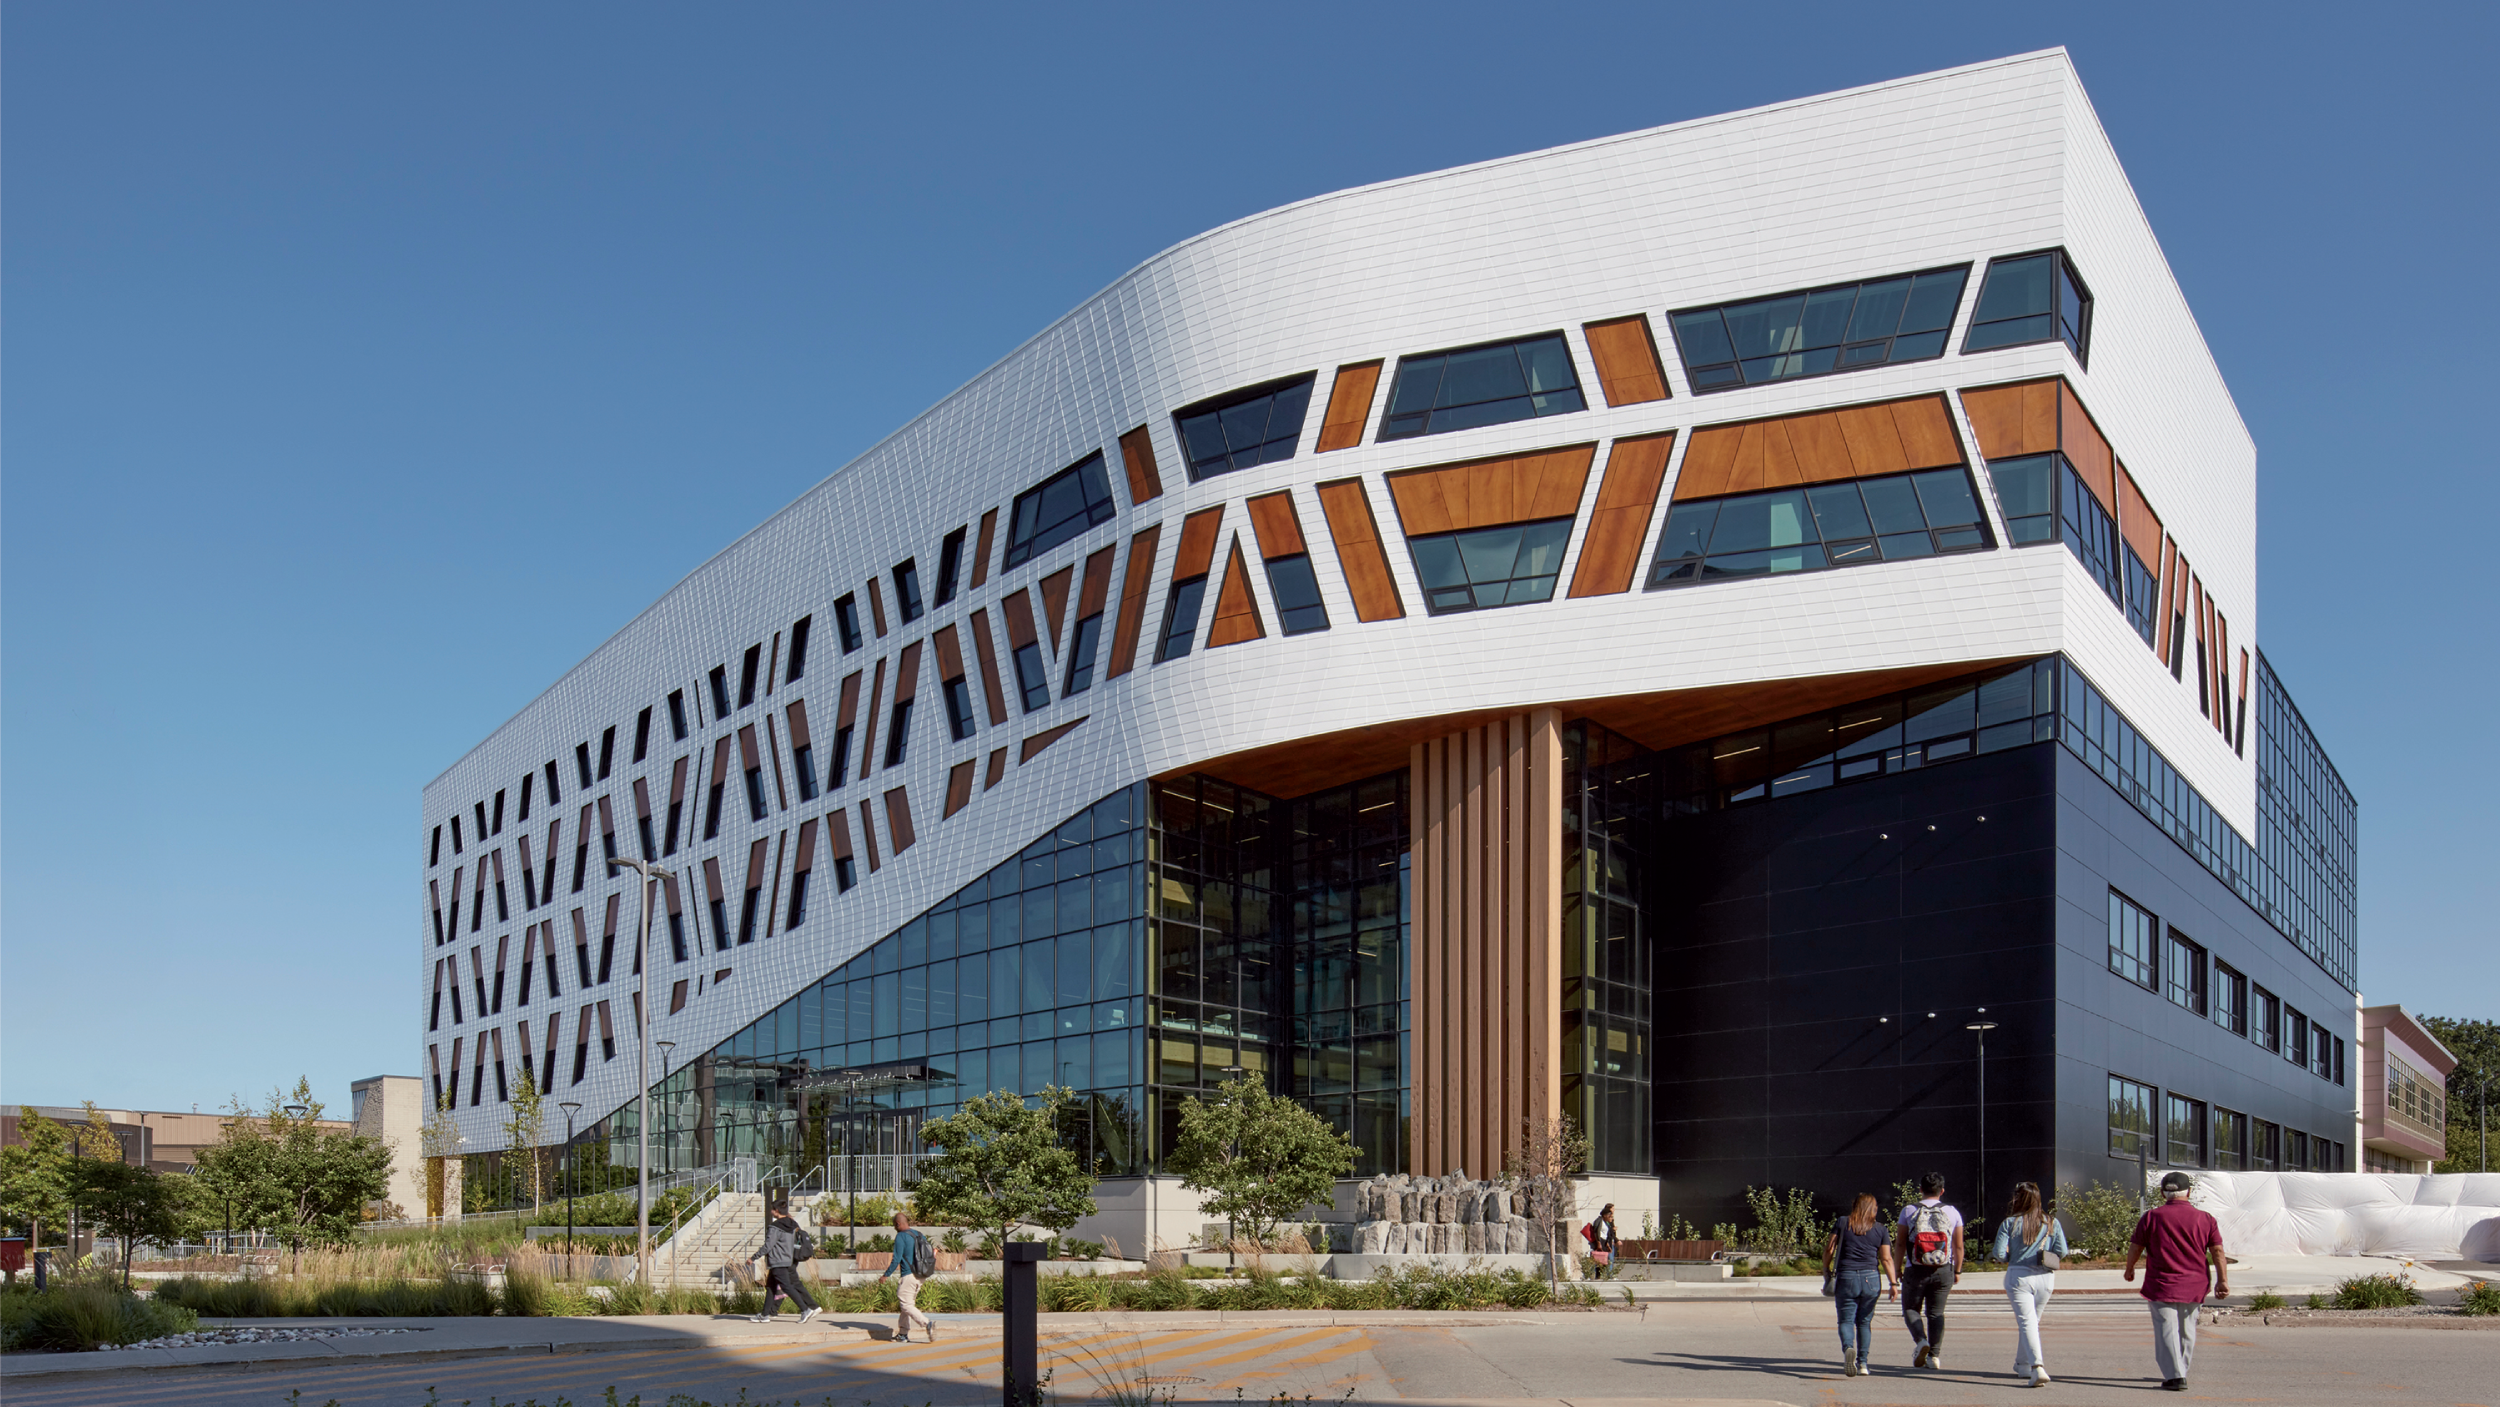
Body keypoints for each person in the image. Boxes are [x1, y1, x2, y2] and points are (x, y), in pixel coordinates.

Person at [2124, 1171, 2227, 1392]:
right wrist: (2222, 1280)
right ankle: (2180, 1370)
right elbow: (2217, 1250)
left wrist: (2130, 1268)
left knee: (2166, 1330)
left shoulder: (2151, 1217)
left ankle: (2175, 1376)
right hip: (2195, 1283)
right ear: (2189, 1192)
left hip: (2161, 1283)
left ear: (2163, 1193)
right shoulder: (2206, 1219)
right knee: (2187, 1330)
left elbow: (2136, 1246)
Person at [1992, 1182, 2069, 1388]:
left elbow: (1998, 1254)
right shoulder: (2051, 1222)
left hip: (2019, 1276)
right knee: (2031, 1323)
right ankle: (2023, 1364)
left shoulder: (2010, 1223)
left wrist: (2012, 1255)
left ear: (2018, 1199)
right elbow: (2063, 1251)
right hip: (2045, 1277)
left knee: (2027, 1323)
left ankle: (2037, 1367)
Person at [1894, 1171, 1963, 1370]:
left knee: (1910, 1309)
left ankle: (1921, 1340)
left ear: (1920, 1190)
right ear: (1942, 1191)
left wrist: (1898, 1268)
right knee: (1936, 1313)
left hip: (1915, 1268)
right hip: (1943, 1268)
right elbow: (1958, 1246)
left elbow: (1900, 1243)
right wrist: (1957, 1270)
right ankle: (1934, 1356)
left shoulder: (1909, 1210)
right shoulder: (1952, 1212)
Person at [1824, 1193, 1897, 1377]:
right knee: (1864, 1322)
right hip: (1871, 1279)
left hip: (1847, 1277)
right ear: (1874, 1209)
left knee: (1846, 1320)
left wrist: (1826, 1267)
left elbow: (1829, 1248)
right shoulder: (1881, 1229)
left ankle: (1849, 1347)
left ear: (1855, 1206)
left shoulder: (1842, 1222)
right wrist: (1893, 1283)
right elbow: (1886, 1258)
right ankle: (1863, 1363)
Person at [745, 1201, 820, 1325]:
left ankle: (805, 1309)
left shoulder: (775, 1227)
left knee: (786, 1287)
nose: (771, 1212)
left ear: (776, 1211)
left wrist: (753, 1258)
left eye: (772, 1210)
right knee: (770, 1288)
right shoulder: (791, 1225)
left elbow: (768, 1246)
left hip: (777, 1261)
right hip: (787, 1260)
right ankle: (764, 1315)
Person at [881, 1210, 935, 1343]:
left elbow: (896, 1259)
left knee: (906, 1304)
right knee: (907, 1304)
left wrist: (885, 1275)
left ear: (898, 1224)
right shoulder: (919, 1234)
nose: (894, 1228)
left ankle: (927, 1323)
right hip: (921, 1275)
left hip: (908, 1275)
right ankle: (903, 1334)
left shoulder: (901, 1236)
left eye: (894, 1225)